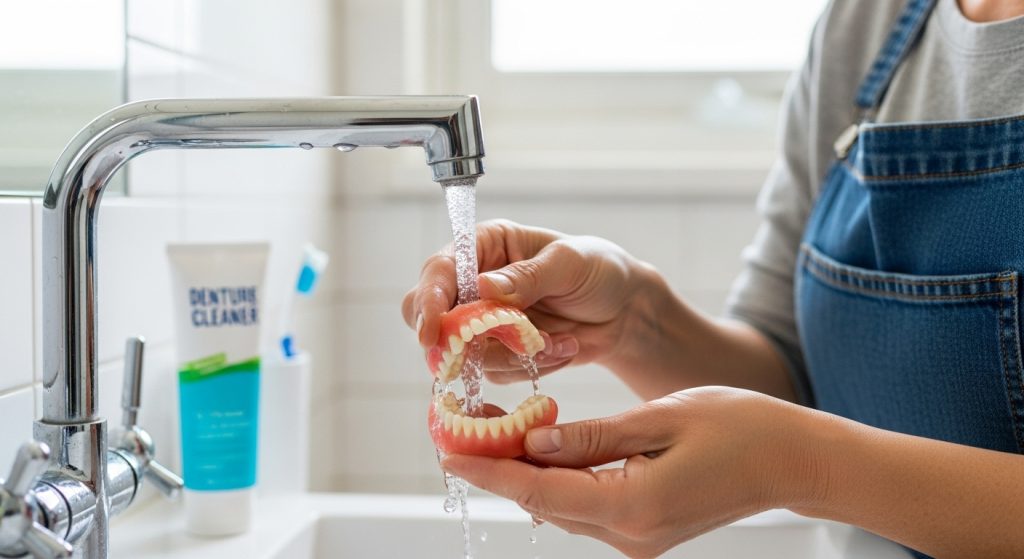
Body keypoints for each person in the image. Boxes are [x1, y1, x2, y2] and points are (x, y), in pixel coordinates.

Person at [402, 0, 1024, 557]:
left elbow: (795, 437)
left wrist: (803, 466)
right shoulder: (863, 26)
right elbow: (788, 375)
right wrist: (633, 321)